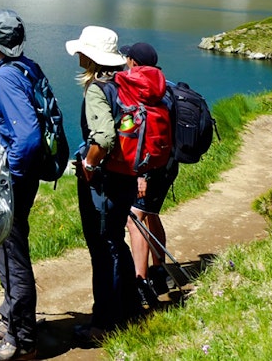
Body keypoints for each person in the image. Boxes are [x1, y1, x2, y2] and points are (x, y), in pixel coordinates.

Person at [0, 9, 42, 361]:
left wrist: (5, 178)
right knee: (8, 249)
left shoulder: (6, 78)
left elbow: (27, 138)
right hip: (23, 180)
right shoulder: (28, 67)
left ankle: (23, 339)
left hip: (11, 183)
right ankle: (9, 315)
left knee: (10, 254)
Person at [65, 25, 141, 344]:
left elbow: (105, 137)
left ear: (92, 57)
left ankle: (105, 324)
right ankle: (130, 311)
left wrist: (89, 165)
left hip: (105, 182)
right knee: (116, 241)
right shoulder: (124, 83)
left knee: (102, 248)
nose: (79, 54)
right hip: (127, 176)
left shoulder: (98, 88)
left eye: (83, 50)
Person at [119, 42, 179, 306]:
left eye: (127, 58)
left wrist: (139, 173)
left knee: (135, 221)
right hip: (169, 162)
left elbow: (139, 135)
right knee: (152, 214)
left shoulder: (136, 90)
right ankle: (159, 271)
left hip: (147, 165)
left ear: (132, 62)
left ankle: (140, 283)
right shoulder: (167, 87)